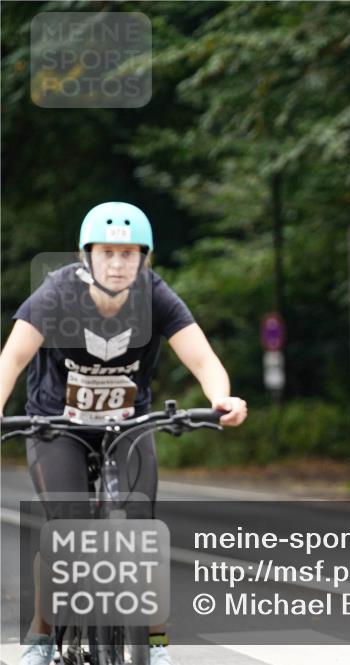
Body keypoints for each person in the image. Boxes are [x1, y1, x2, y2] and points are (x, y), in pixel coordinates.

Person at [0, 202, 249, 665]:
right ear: (86, 256)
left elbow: (202, 359)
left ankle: (154, 647)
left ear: (144, 258)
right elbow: (12, 359)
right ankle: (41, 636)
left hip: (128, 426)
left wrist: (222, 398)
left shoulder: (155, 297)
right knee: (65, 532)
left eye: (129, 254)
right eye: (107, 253)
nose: (117, 264)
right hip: (58, 425)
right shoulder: (56, 295)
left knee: (141, 535)